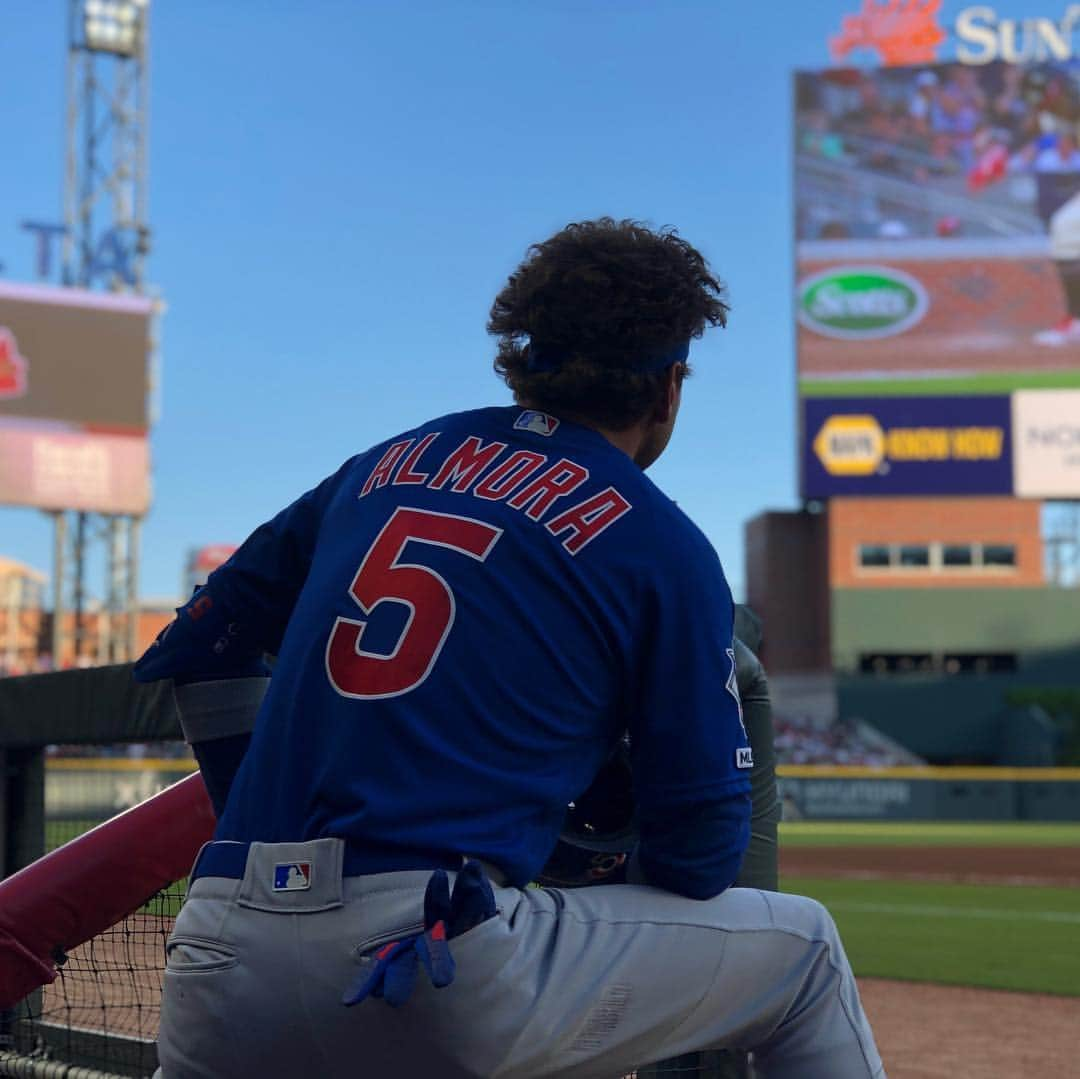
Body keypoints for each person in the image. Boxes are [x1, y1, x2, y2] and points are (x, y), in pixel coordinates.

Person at [136, 218, 885, 1079]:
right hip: (431, 960)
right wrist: (578, 835)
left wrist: (254, 829)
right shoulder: (658, 537)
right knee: (806, 955)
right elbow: (705, 853)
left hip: (219, 954)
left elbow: (198, 646)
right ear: (669, 388)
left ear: (522, 355)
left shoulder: (381, 464)